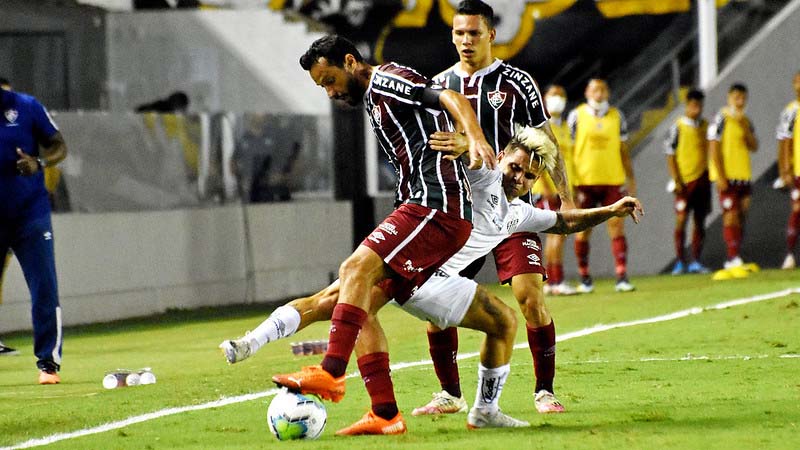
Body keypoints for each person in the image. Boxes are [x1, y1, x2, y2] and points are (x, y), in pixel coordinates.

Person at [221, 125, 643, 433]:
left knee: (339, 300)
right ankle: (472, 409)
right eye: (516, 165)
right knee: (500, 321)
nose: (519, 177)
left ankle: (263, 349)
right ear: (504, 156)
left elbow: (563, 222)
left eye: (529, 175)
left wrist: (609, 211)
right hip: (424, 273)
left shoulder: (518, 213)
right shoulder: (483, 174)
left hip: (421, 273)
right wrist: (464, 143)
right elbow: (463, 155)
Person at [269, 34, 496, 430]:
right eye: (322, 86)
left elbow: (450, 98)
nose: (330, 92)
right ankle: (385, 413)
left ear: (351, 61)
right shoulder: (373, 99)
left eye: (330, 81)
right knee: (360, 307)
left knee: (353, 270)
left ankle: (332, 371)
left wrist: (474, 139)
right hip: (421, 206)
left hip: (437, 207)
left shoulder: (387, 80)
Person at [416, 0, 574, 416]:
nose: (465, 41)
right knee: (437, 308)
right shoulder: (438, 85)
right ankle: (450, 394)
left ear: (491, 35)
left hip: (509, 208)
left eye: (473, 33)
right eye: (459, 33)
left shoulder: (516, 82)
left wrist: (565, 195)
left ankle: (544, 390)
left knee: (529, 297)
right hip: (459, 213)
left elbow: (547, 140)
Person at [0, 83, 67, 383]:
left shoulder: (26, 106)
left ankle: (48, 363)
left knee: (44, 288)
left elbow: (59, 146)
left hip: (30, 215)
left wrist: (37, 162)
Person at [568, 77, 637, 293]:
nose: (599, 93)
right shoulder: (576, 116)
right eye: (595, 89)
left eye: (603, 89)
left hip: (612, 180)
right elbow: (569, 151)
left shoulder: (617, 116)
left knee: (617, 226)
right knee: (583, 229)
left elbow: (623, 149)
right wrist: (570, 182)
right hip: (584, 182)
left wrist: (631, 178)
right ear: (587, 92)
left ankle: (622, 275)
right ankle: (585, 277)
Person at [708, 83, 758, 272]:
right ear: (729, 97)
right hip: (727, 176)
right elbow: (713, 146)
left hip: (743, 174)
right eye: (736, 97)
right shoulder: (720, 117)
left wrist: (744, 127)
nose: (740, 101)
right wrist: (720, 176)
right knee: (731, 216)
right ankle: (731, 257)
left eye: (743, 97)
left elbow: (754, 146)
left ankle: (736, 253)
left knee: (742, 215)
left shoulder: (745, 120)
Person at [533, 84, 578, 295]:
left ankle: (553, 281)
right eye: (553, 95)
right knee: (556, 235)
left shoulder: (564, 127)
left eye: (561, 95)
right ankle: (554, 281)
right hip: (549, 189)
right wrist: (543, 186)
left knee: (558, 236)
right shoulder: (542, 126)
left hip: (562, 189)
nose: (557, 98)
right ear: (544, 98)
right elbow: (537, 159)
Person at [665, 88, 711, 275]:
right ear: (687, 105)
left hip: (703, 178)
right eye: (693, 105)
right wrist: (676, 179)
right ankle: (680, 261)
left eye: (699, 105)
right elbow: (670, 153)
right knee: (681, 220)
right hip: (685, 181)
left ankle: (696, 261)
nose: (696, 109)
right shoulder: (677, 126)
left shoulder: (706, 125)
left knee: (699, 220)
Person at [776, 71, 800, 270]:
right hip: (798, 170)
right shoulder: (791, 111)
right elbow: (784, 141)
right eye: (798, 81)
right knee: (797, 209)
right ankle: (790, 255)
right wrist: (784, 169)